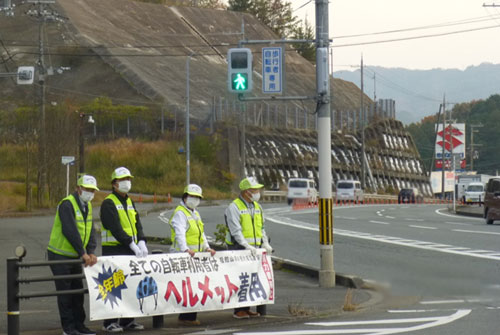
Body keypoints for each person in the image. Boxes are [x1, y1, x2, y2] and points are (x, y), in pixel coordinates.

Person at [47, 175, 99, 335]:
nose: (90, 193)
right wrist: (83, 254)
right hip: (60, 255)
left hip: (76, 255)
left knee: (77, 291)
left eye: (92, 190)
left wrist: (91, 252)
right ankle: (68, 328)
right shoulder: (67, 204)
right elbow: (70, 231)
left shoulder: (88, 206)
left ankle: (79, 325)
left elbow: (90, 231)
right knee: (65, 293)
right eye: (87, 190)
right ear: (78, 188)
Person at [100, 167, 148, 333]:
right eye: (123, 179)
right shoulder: (108, 203)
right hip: (114, 249)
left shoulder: (129, 201)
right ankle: (110, 321)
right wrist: (131, 243)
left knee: (131, 283)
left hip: (130, 249)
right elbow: (114, 227)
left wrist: (141, 240)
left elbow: (137, 223)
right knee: (113, 286)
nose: (127, 182)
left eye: (129, 178)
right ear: (114, 184)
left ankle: (128, 320)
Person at [224, 176, 273, 319]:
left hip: (255, 249)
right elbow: (235, 230)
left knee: (252, 279)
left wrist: (265, 242)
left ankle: (247, 308)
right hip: (239, 248)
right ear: (246, 192)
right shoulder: (234, 207)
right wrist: (245, 245)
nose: (258, 192)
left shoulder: (257, 207)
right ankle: (238, 310)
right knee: (240, 279)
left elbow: (261, 227)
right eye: (255, 190)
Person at [169, 184, 216, 326]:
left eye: (197, 197)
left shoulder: (194, 213)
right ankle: (186, 317)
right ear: (185, 197)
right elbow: (180, 233)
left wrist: (207, 248)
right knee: (188, 287)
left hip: (195, 257)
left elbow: (202, 234)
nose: (195, 199)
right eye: (192, 196)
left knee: (195, 286)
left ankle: (189, 316)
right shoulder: (180, 213)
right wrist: (185, 249)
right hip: (184, 256)